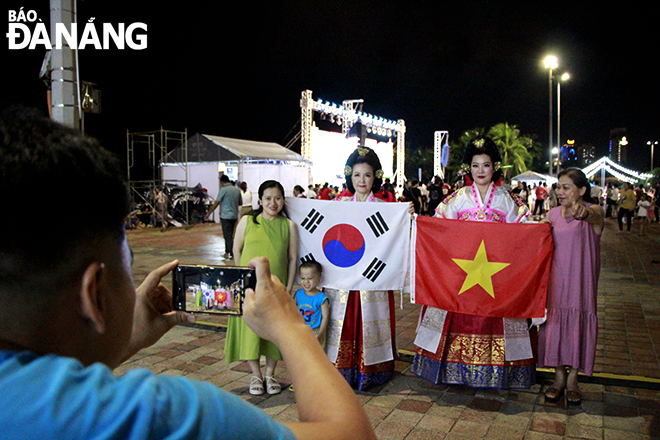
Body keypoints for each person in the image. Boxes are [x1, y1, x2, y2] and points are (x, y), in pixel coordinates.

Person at [0, 107, 376, 440]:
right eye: (127, 264)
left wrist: (127, 340)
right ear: (94, 294)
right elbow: (351, 435)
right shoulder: (158, 415)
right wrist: (291, 328)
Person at [411, 136, 534, 389]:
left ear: (494, 167)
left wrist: (539, 230)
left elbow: (523, 231)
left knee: (495, 315)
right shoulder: (457, 198)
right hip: (462, 273)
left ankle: (495, 373)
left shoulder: (508, 199)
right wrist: (417, 221)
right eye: (475, 165)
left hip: (496, 274)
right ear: (469, 168)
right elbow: (439, 226)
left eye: (486, 165)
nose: (481, 171)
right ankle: (455, 370)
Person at [325, 146, 398, 390]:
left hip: (372, 276)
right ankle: (342, 367)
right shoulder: (339, 203)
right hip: (344, 274)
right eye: (357, 175)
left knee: (370, 317)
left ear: (375, 177)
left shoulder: (384, 206)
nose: (362, 180)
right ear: (350, 177)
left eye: (367, 175)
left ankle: (371, 369)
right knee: (344, 319)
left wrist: (406, 215)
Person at [226, 180, 299, 396]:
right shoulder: (248, 222)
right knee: (250, 329)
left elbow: (293, 258)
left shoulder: (289, 226)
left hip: (277, 288)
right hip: (249, 288)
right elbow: (236, 249)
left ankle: (270, 373)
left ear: (283, 200)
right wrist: (241, 277)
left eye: (277, 198)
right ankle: (255, 374)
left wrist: (288, 287)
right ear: (260, 200)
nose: (273, 203)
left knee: (275, 329)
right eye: (268, 198)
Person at [538, 168, 604, 405]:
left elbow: (594, 215)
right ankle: (558, 378)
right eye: (558, 186)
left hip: (581, 283)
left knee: (577, 324)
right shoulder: (553, 214)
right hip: (556, 282)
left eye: (566, 187)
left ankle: (573, 380)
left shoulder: (594, 212)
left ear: (582, 190)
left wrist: (584, 213)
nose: (560, 191)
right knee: (555, 323)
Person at [205, 175, 242, 259]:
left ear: (222, 182)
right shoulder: (237, 190)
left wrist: (209, 213)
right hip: (234, 215)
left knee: (227, 235)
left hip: (225, 216)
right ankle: (230, 252)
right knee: (232, 235)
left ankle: (230, 253)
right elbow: (240, 203)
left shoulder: (223, 190)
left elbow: (216, 202)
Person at [294, 261, 329, 348]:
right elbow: (292, 310)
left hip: (315, 331)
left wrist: (320, 334)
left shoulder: (322, 298)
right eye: (302, 278)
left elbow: (325, 317)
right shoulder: (298, 294)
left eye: (310, 278)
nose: (306, 282)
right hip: (300, 330)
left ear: (319, 279)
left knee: (316, 357)